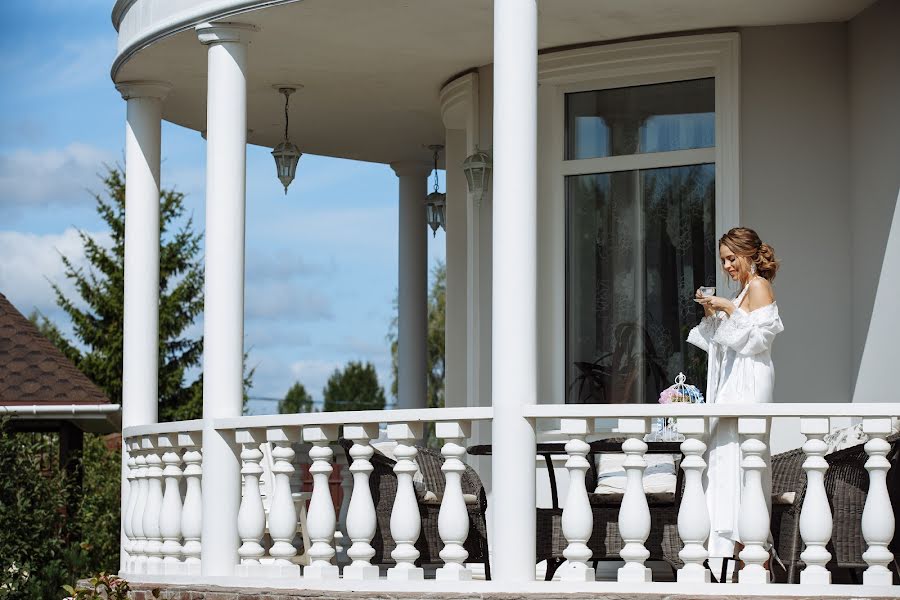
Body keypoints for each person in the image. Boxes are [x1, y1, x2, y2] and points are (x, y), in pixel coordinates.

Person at [687, 227, 784, 576]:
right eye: (723, 259)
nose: (727, 265)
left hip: (750, 384)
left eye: (731, 258)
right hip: (732, 383)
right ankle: (731, 555)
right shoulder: (742, 292)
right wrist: (714, 313)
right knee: (725, 462)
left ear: (749, 254)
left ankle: (753, 555)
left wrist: (728, 306)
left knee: (745, 462)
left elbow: (757, 341)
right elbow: (723, 342)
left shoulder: (757, 286)